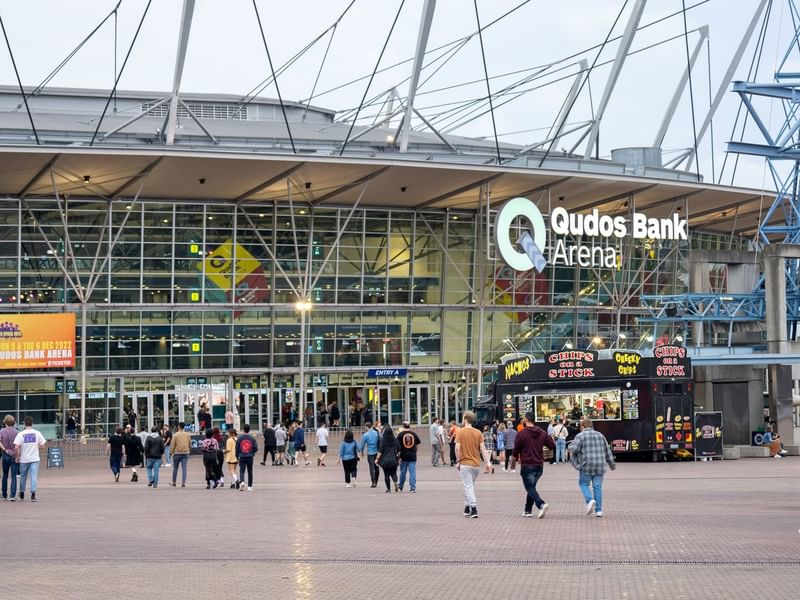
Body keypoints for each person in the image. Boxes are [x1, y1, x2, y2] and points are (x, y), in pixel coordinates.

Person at [509, 411, 555, 518]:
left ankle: (541, 504)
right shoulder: (542, 432)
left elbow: (515, 450)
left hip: (527, 464)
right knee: (532, 487)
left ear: (526, 420)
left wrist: (513, 463)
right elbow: (552, 445)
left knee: (529, 487)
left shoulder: (522, 434)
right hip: (539, 465)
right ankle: (527, 510)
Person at [569, 418, 616, 517]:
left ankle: (589, 500)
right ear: (592, 425)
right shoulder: (600, 435)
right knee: (597, 487)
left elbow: (575, 449)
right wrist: (612, 464)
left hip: (587, 464)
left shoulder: (580, 436)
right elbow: (607, 451)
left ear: (582, 426)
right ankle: (599, 510)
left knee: (583, 484)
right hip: (600, 464)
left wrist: (570, 446)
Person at [455, 410, 492, 518]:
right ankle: (466, 507)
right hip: (476, 464)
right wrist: (488, 462)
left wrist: (458, 461)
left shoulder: (460, 432)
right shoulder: (478, 432)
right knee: (469, 486)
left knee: (468, 486)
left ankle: (474, 508)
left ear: (466, 419)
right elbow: (483, 448)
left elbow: (457, 448)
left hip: (465, 463)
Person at [13, 416, 46, 502]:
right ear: (32, 423)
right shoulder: (37, 433)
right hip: (34, 458)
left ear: (24, 423)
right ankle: (33, 494)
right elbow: (43, 445)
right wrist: (36, 447)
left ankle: (22, 492)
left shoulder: (20, 434)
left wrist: (17, 456)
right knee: (33, 476)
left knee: (23, 476)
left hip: (24, 458)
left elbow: (16, 447)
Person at [397, 421, 421, 493]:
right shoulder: (413, 434)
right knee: (412, 472)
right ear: (409, 426)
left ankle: (400, 486)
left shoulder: (400, 435)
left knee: (403, 472)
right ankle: (412, 487)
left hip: (403, 455)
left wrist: (398, 455)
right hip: (412, 455)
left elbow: (398, 446)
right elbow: (417, 445)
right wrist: (414, 451)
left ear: (403, 426)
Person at [376, 424, 399, 493]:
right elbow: (399, 450)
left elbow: (380, 451)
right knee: (394, 473)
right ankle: (395, 482)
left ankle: (388, 489)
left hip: (385, 460)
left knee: (386, 475)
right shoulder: (395, 440)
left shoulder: (383, 441)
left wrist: (377, 458)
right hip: (393, 459)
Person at [1, 415, 19, 500]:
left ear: (5, 422)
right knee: (14, 476)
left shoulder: (2, 431)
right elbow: (19, 445)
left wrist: (4, 449)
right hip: (14, 454)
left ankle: (4, 494)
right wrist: (18, 455)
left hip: (6, 454)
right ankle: (12, 495)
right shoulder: (17, 432)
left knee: (5, 475)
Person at [236, 423, 258, 491]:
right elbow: (256, 448)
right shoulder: (252, 438)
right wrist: (252, 452)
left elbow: (236, 448)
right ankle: (249, 486)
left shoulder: (240, 438)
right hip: (250, 456)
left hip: (242, 456)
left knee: (242, 470)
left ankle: (242, 482)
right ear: (249, 430)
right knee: (250, 471)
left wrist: (237, 456)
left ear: (243, 430)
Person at [360, 420, 381, 488]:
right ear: (372, 426)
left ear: (366, 427)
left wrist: (362, 452)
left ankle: (373, 481)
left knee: (371, 468)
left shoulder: (365, 435)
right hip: (377, 452)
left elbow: (362, 445)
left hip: (370, 453)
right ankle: (376, 480)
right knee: (377, 467)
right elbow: (381, 440)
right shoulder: (377, 433)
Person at [171, 422, 191, 487]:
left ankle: (174, 482)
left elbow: (172, 444)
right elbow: (190, 444)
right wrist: (189, 450)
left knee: (175, 468)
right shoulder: (187, 435)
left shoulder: (175, 435)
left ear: (178, 426)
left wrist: (171, 452)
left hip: (177, 453)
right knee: (184, 468)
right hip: (185, 453)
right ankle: (183, 482)